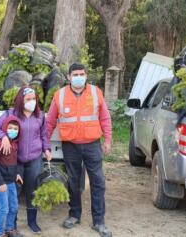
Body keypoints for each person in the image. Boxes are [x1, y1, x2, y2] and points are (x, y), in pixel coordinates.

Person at [46, 63, 113, 237]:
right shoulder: (59, 95)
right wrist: (45, 144)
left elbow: (105, 117)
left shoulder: (95, 92)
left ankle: (99, 221)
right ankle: (74, 214)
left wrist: (108, 140)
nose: (78, 77)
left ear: (86, 75)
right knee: (74, 182)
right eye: (75, 74)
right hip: (71, 146)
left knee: (98, 182)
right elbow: (50, 122)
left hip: (92, 144)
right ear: (68, 77)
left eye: (81, 74)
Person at [0, 86, 51, 234]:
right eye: (28, 99)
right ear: (20, 100)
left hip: (34, 158)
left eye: (34, 99)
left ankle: (32, 221)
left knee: (32, 190)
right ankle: (12, 225)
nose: (32, 102)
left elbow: (44, 136)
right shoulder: (11, 114)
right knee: (14, 191)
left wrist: (47, 149)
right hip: (15, 160)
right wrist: (3, 136)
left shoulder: (40, 116)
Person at [0, 115, 23, 237]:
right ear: (4, 128)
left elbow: (14, 161)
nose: (13, 130)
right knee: (3, 209)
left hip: (11, 182)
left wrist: (17, 174)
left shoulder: (15, 144)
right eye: (10, 127)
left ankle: (9, 229)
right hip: (1, 183)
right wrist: (1, 183)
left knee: (13, 207)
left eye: (16, 128)